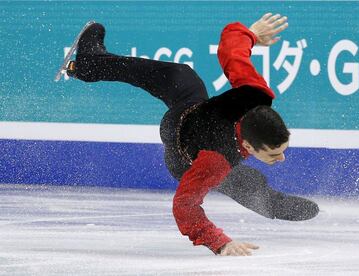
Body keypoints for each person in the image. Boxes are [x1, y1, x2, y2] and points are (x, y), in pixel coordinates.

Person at [66, 12, 319, 256]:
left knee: (183, 77)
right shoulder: (215, 161)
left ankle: (89, 63)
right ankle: (90, 62)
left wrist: (250, 35)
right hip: (181, 153)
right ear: (249, 146)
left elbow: (232, 52)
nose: (282, 158)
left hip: (193, 110)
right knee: (237, 179)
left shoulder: (256, 95)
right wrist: (219, 242)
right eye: (274, 153)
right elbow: (184, 205)